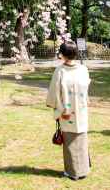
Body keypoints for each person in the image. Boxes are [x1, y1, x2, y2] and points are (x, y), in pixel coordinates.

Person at [46, 41, 91, 181]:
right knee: (81, 139)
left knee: (70, 141)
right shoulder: (83, 69)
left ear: (62, 54)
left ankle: (72, 172)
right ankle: (83, 170)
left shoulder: (60, 71)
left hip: (66, 111)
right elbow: (85, 87)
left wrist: (56, 107)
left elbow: (54, 91)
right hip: (81, 109)